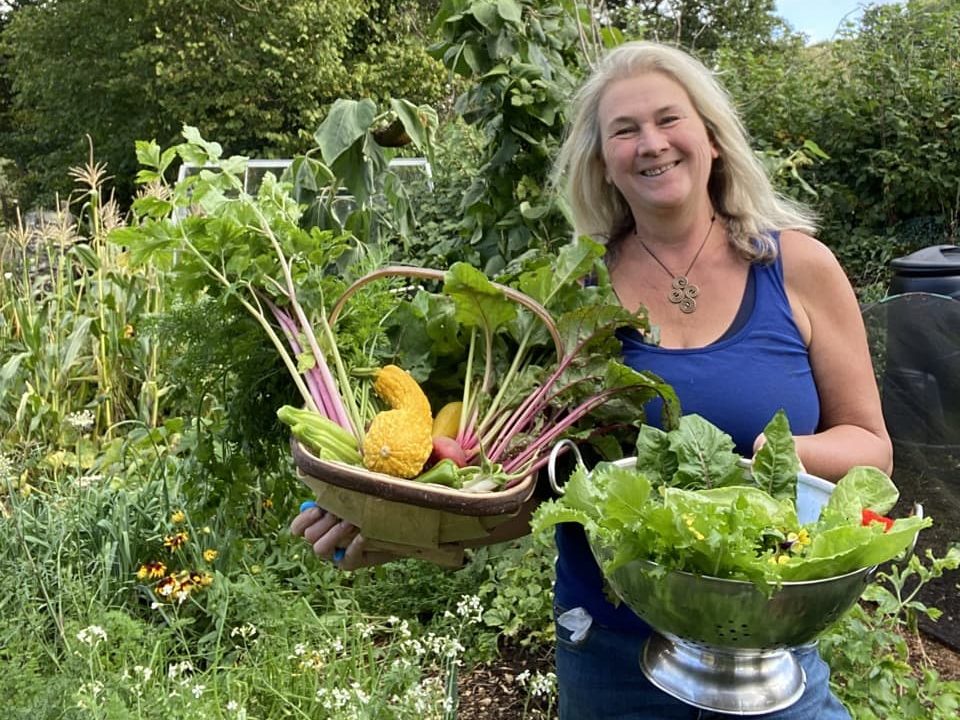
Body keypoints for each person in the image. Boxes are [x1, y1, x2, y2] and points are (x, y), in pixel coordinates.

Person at [292, 40, 892, 719]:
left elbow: (870, 445)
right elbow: (542, 489)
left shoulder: (799, 268)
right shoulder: (575, 297)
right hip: (612, 658)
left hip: (767, 653)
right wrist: (407, 533)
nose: (652, 143)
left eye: (670, 119)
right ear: (603, 162)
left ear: (712, 138)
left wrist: (768, 459)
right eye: (625, 131)